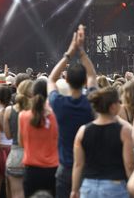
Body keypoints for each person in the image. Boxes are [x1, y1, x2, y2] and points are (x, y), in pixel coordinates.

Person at [47, 25, 97, 198]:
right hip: (88, 169)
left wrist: (69, 53)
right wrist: (81, 52)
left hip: (66, 167)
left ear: (66, 80)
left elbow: (51, 79)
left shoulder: (58, 104)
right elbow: (93, 76)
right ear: (84, 82)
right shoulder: (91, 102)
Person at [71, 87, 134, 198]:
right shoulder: (124, 131)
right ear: (113, 107)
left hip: (88, 187)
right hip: (115, 187)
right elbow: (129, 165)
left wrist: (74, 190)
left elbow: (78, 164)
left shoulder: (82, 131)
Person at [19, 79, 59, 197]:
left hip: (31, 170)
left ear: (32, 93)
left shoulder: (23, 116)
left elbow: (22, 143)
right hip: (52, 169)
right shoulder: (56, 117)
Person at [3, 79, 33, 198]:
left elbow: (8, 135)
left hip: (15, 155)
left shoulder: (9, 110)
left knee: (17, 194)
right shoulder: (36, 111)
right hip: (33, 155)